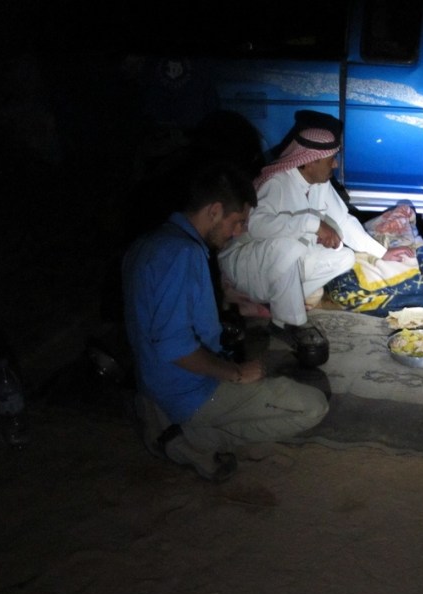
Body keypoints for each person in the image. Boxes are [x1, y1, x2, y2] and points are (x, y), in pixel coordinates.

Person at [122, 162, 329, 482]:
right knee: (313, 405)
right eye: (238, 222)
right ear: (215, 211)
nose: (239, 232)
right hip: (188, 390)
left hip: (154, 382)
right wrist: (236, 373)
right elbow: (175, 347)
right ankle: (191, 439)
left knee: (252, 357)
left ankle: (168, 420)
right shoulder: (182, 253)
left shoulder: (148, 243)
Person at [218, 112, 414, 361]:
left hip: (280, 265)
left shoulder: (320, 184)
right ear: (309, 161)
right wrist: (313, 225)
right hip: (247, 266)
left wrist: (382, 253)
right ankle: (290, 323)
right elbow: (257, 226)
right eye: (331, 159)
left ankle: (277, 305)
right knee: (290, 246)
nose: (335, 165)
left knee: (344, 257)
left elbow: (344, 221)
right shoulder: (277, 183)